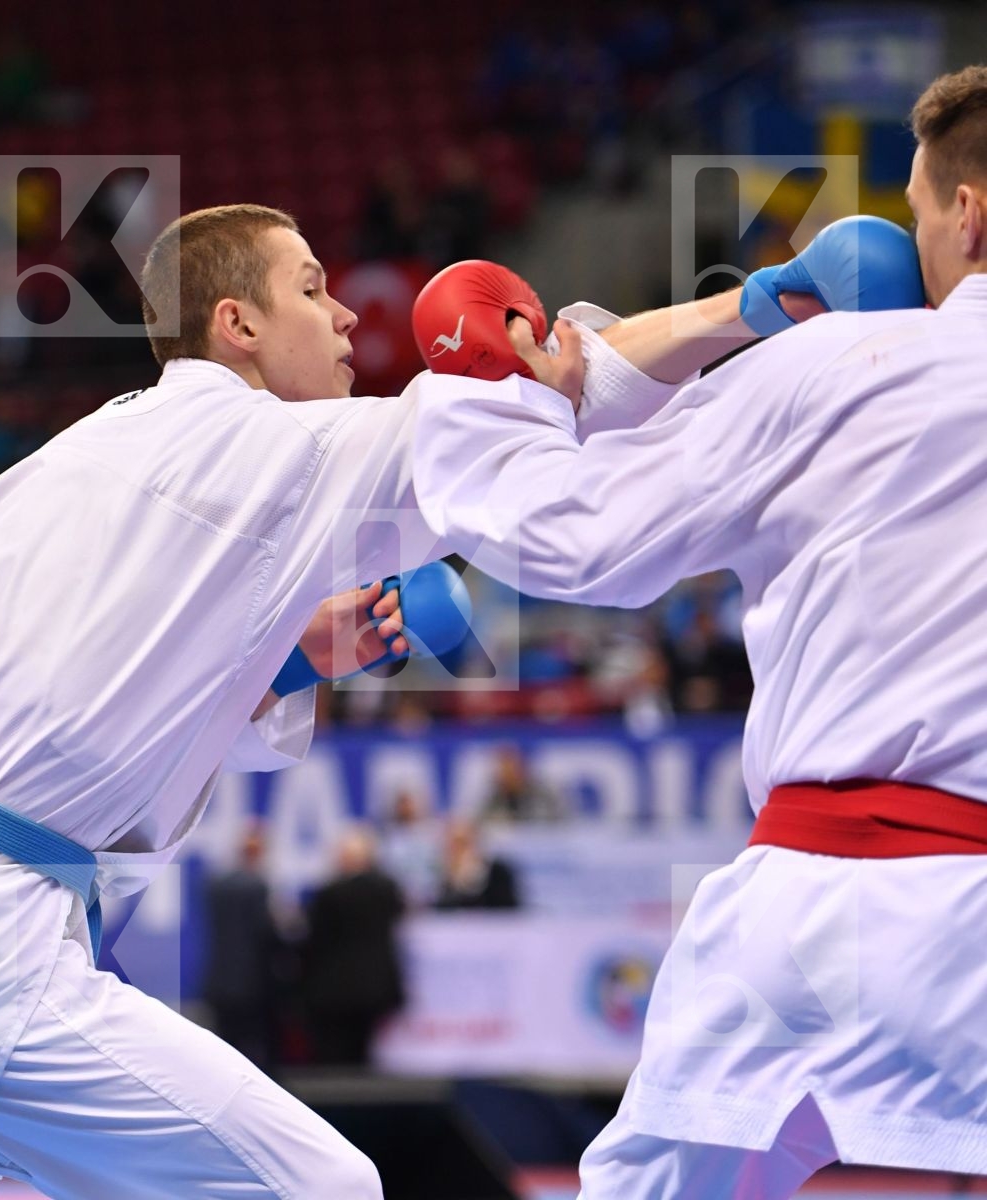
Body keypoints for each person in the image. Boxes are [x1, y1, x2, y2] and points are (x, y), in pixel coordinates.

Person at [0, 200, 814, 1200]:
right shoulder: (265, 449)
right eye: (313, 291)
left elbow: (93, 694)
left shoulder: (85, 455)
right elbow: (544, 398)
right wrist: (748, 310)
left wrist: (291, 659)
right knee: (321, 1186)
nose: (349, 319)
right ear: (235, 327)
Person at [409, 65, 984, 1199]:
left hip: (839, 902)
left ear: (969, 213)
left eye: (916, 216)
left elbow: (576, 537)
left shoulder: (859, 363)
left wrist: (491, 392)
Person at [299, 828, 407, 1065]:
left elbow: (315, 941)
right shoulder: (387, 889)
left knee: (337, 1056)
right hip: (376, 987)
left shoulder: (329, 894)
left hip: (335, 988)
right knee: (365, 1053)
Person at [200, 826, 284, 1072]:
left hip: (219, 982)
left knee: (225, 1050)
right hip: (253, 985)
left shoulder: (216, 886)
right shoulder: (257, 887)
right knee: (254, 1054)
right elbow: (266, 935)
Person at [431, 820, 520, 911]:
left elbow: (509, 911)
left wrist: (474, 881)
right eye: (454, 845)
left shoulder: (499, 873)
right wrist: (456, 884)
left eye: (464, 843)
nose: (459, 850)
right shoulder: (441, 877)